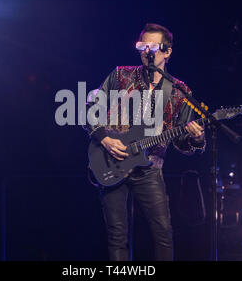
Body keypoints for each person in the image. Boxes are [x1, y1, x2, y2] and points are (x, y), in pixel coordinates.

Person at [83, 23, 205, 261]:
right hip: (112, 159)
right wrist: (105, 139)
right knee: (117, 234)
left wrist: (197, 138)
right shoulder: (121, 76)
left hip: (150, 168)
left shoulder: (179, 91)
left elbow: (181, 142)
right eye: (143, 46)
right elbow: (90, 108)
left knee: (163, 233)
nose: (147, 51)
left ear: (167, 51)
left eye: (154, 47)